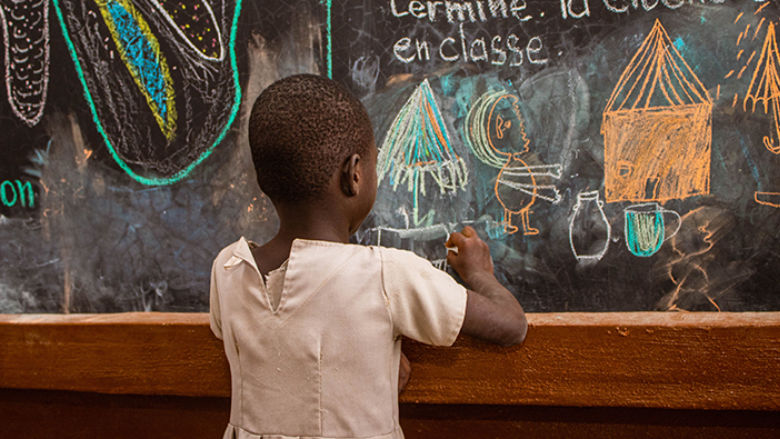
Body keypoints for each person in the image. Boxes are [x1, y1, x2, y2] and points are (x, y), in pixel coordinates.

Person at [209, 74, 526, 439]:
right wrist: (478, 272)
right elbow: (510, 326)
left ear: (263, 181)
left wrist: (373, 358)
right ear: (354, 173)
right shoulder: (385, 275)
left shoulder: (228, 271)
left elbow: (287, 345)